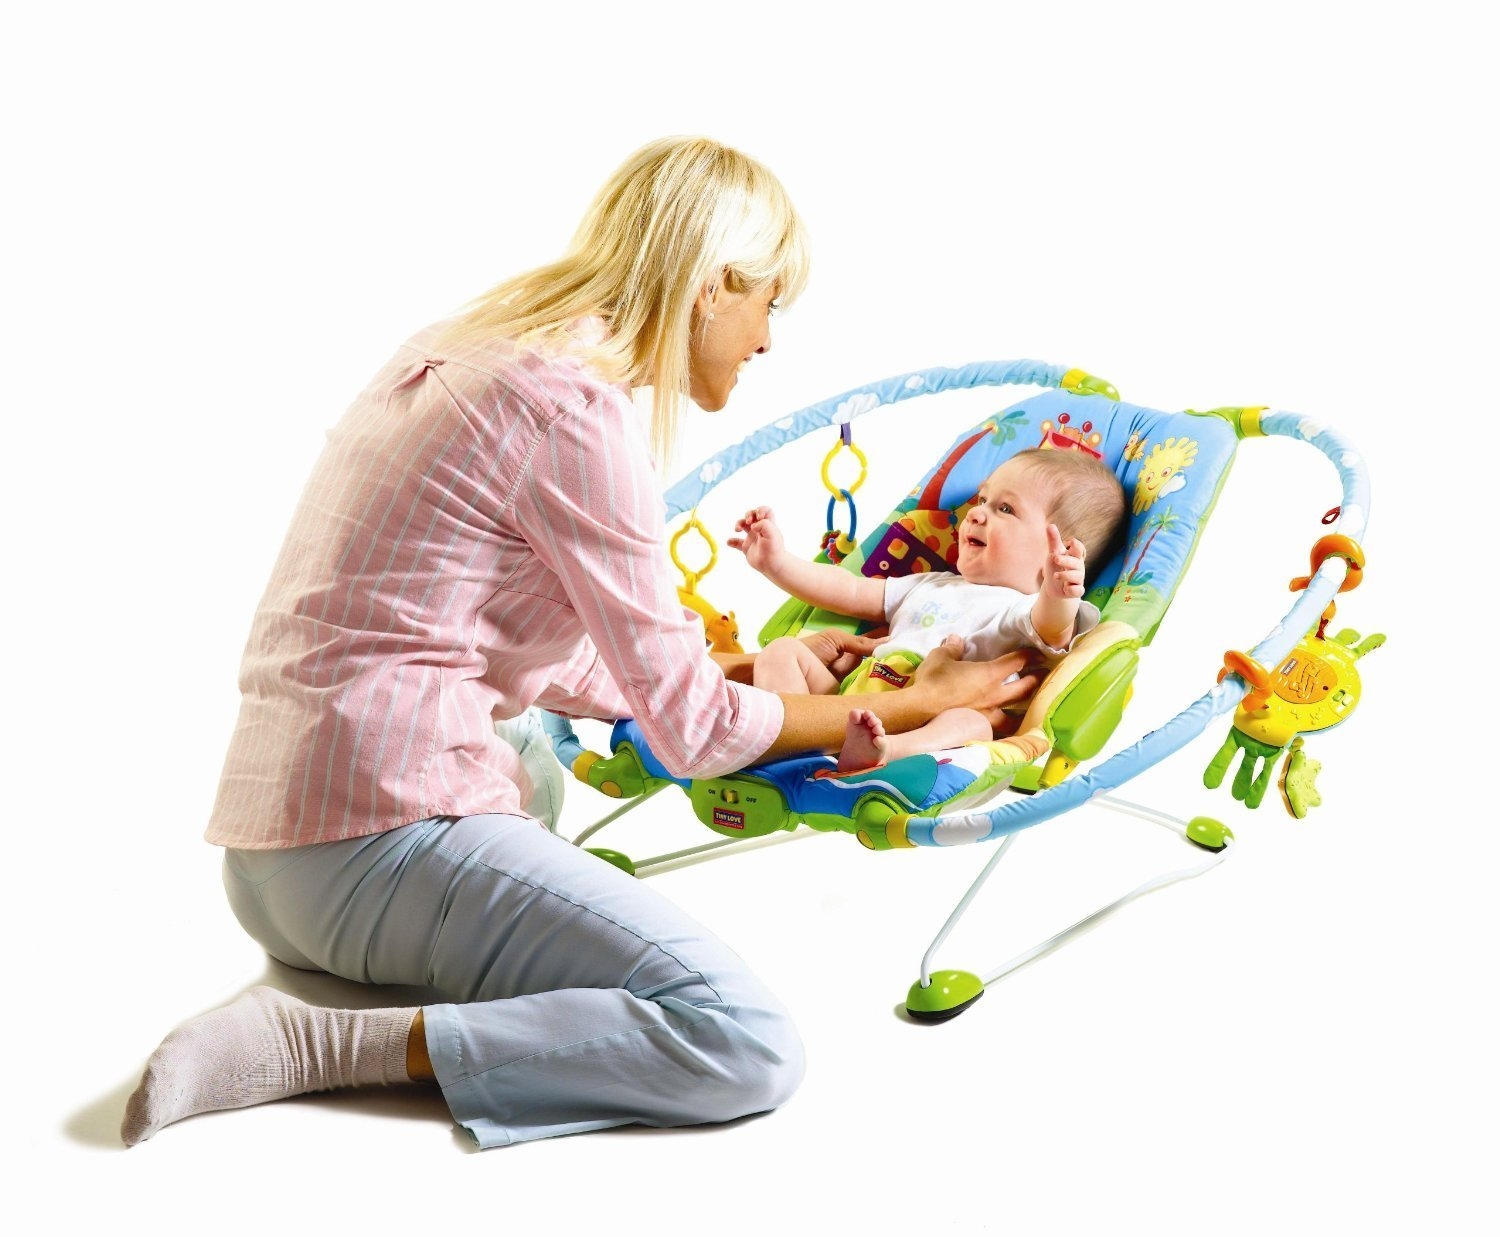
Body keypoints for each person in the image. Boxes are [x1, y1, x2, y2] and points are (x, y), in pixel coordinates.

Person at [121, 136, 1044, 1151]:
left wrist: (727, 669)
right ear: (711, 284)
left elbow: (491, 636)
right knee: (746, 1042)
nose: (767, 340)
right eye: (769, 304)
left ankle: (501, 950)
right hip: (368, 857)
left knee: (529, 758)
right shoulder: (575, 412)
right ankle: (313, 1045)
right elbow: (697, 737)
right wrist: (916, 704)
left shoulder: (471, 344)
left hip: (269, 855)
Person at [728, 448, 1127, 772]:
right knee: (781, 651)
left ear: (1059, 550)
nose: (975, 513)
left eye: (1005, 509)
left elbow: (1054, 628)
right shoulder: (931, 583)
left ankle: (886, 752)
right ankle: (785, 743)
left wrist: (1060, 592)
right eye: (982, 500)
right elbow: (848, 589)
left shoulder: (1022, 610)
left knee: (972, 724)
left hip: (930, 723)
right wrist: (777, 563)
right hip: (851, 699)